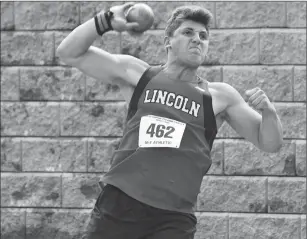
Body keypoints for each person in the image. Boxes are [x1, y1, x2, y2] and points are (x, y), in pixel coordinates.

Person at [57, 2, 283, 239]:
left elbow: (269, 142)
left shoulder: (219, 97)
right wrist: (105, 20)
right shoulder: (139, 75)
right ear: (168, 41)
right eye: (188, 32)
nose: (197, 39)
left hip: (173, 219)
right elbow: (69, 52)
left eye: (203, 36)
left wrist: (269, 111)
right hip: (120, 206)